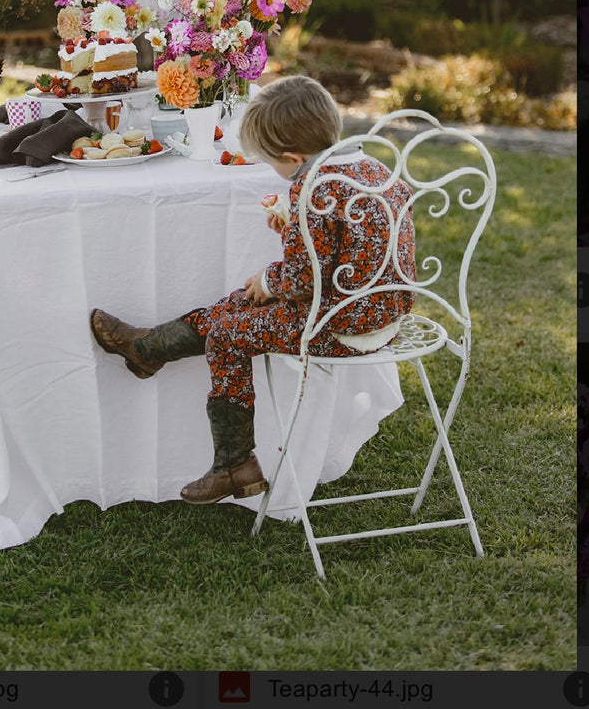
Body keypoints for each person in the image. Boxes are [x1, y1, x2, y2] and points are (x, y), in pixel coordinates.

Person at [90, 74, 416, 505]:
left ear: (291, 156)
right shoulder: (369, 166)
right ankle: (148, 349)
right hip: (379, 309)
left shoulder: (312, 188)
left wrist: (269, 277)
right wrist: (290, 237)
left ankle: (234, 465)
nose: (274, 172)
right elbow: (340, 255)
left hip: (341, 324)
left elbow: (302, 280)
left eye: (271, 163)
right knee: (239, 304)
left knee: (228, 336)